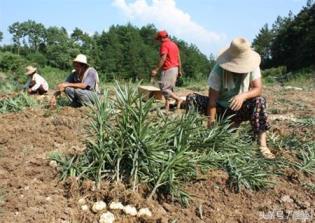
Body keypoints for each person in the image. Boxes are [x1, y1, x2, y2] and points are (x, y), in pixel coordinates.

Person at [186, 37, 275, 159]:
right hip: (220, 110)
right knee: (192, 98)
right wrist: (210, 132)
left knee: (260, 100)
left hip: (239, 109)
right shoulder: (218, 71)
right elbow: (212, 103)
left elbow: (258, 89)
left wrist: (243, 96)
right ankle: (189, 136)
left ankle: (262, 145)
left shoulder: (252, 65)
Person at [151, 30, 183, 111]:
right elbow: (179, 58)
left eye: (158, 39)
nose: (158, 41)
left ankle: (178, 99)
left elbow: (163, 58)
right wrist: (179, 70)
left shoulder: (164, 45)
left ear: (161, 38)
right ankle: (167, 107)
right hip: (175, 68)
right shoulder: (174, 45)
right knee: (169, 88)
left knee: (164, 88)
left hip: (168, 69)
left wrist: (156, 70)